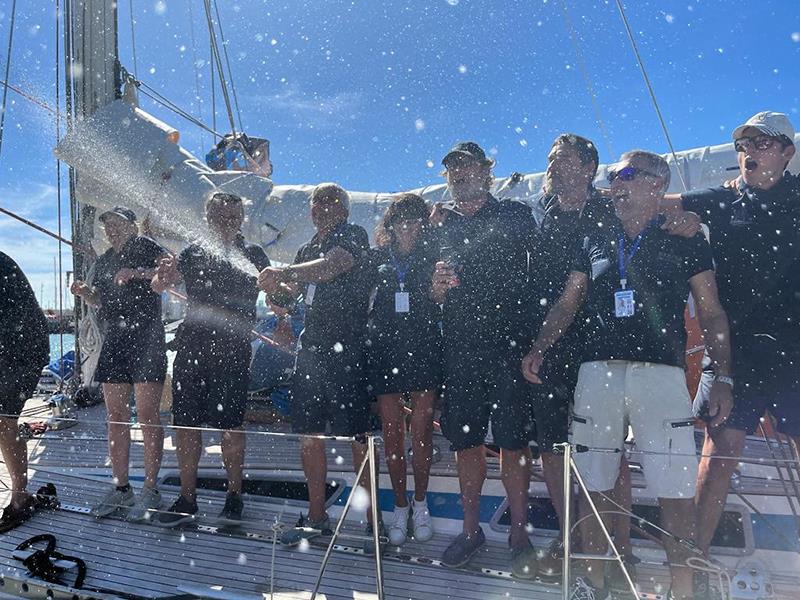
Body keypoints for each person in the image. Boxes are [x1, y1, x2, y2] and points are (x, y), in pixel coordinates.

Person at [522, 150, 732, 600]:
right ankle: (592, 584)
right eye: (613, 175)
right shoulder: (595, 235)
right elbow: (569, 299)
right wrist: (541, 346)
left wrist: (724, 377)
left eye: (627, 174)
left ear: (657, 184)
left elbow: (712, 313)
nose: (615, 181)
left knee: (675, 490)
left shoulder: (686, 236)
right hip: (597, 373)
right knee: (594, 482)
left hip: (662, 375)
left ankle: (683, 590)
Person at [662, 112, 800, 570]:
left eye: (761, 144)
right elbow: (653, 202)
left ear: (787, 152)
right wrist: (592, 198)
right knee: (719, 453)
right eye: (743, 146)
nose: (749, 153)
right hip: (733, 350)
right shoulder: (722, 202)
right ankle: (694, 560)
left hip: (794, 349)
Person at [430, 142, 538, 575]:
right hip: (460, 349)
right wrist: (437, 288)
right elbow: (431, 293)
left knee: (513, 442)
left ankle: (519, 532)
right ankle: (471, 530)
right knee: (467, 443)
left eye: (469, 166)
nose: (461, 174)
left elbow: (542, 274)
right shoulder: (440, 226)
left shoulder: (515, 214)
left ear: (487, 171)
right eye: (454, 170)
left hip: (510, 345)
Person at [257, 183, 379, 551]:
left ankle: (374, 525)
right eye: (317, 202)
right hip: (311, 351)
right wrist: (271, 286)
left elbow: (333, 266)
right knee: (309, 434)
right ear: (310, 210)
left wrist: (285, 271)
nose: (323, 207)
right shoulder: (306, 249)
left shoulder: (353, 235)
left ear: (344, 208)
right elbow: (289, 296)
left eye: (331, 201)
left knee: (358, 436)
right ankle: (316, 517)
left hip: (350, 349)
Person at [152, 191, 270, 527]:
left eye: (233, 217)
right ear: (208, 219)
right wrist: (163, 274)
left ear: (242, 219)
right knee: (185, 425)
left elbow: (279, 294)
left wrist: (282, 299)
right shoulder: (191, 253)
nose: (226, 223)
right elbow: (160, 285)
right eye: (219, 217)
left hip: (233, 352)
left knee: (231, 427)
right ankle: (187, 498)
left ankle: (234, 496)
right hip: (192, 350)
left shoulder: (254, 254)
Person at [70, 206, 168, 521]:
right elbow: (100, 299)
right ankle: (122, 488)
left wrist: (136, 273)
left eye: (116, 224)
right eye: (107, 226)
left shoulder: (148, 247)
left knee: (149, 415)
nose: (111, 230)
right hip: (116, 339)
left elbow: (168, 276)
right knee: (115, 415)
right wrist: (87, 293)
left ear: (132, 226)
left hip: (147, 337)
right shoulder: (104, 260)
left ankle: (151, 489)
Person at [367, 193, 441, 546]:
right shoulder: (378, 258)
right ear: (391, 225)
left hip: (424, 347)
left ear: (423, 224)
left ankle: (421, 503)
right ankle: (399, 505)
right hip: (386, 350)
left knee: (422, 431)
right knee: (393, 432)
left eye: (415, 220)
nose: (408, 227)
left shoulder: (433, 255)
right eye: (401, 221)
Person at [0, 252, 49, 532]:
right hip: (11, 344)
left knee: (4, 420)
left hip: (21, 348)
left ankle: (20, 496)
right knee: (4, 421)